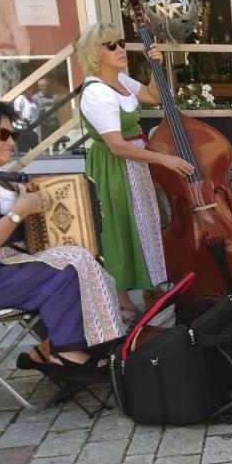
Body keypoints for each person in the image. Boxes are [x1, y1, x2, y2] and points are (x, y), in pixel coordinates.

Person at [0, 99, 124, 377]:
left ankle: (51, 348)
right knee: (70, 267)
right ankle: (66, 353)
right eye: (3, 134)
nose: (11, 141)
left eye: (14, 134)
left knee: (82, 256)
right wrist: (19, 211)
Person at [74, 23, 194, 321]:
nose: (119, 49)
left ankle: (151, 286)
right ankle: (122, 299)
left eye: (120, 43)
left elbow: (153, 96)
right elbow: (116, 146)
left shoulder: (120, 80)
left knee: (144, 222)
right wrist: (164, 160)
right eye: (110, 45)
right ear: (94, 53)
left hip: (135, 161)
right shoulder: (96, 92)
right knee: (120, 226)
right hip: (115, 166)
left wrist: (155, 66)